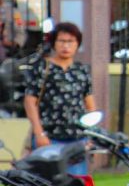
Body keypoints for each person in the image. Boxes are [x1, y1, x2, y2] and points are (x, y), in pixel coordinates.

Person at [23, 21, 95, 174]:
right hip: (49, 137)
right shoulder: (42, 68)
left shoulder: (81, 71)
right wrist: (39, 132)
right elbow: (30, 101)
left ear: (77, 44)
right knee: (46, 184)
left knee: (76, 185)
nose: (66, 46)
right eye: (62, 41)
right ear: (54, 43)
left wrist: (92, 132)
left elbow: (89, 104)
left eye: (71, 41)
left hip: (77, 138)